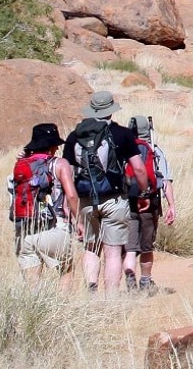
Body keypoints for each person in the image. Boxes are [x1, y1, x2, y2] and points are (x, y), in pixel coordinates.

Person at [60, 91, 142, 292]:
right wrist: (141, 190)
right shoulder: (122, 134)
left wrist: (70, 205)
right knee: (112, 252)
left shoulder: (74, 136)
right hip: (114, 199)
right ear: (111, 111)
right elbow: (138, 168)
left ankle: (91, 287)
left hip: (85, 200)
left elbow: (68, 174)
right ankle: (111, 298)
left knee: (91, 246)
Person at [10, 123, 72, 289]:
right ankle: (62, 312)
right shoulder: (60, 164)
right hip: (53, 226)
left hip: (24, 229)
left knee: (32, 284)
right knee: (65, 269)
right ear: (52, 147)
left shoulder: (20, 165)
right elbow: (71, 195)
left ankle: (35, 312)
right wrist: (78, 221)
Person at [123, 116, 173, 293]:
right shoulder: (155, 151)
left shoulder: (123, 149)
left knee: (130, 247)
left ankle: (130, 281)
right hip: (149, 203)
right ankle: (145, 282)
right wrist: (171, 205)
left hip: (127, 203)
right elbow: (165, 181)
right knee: (146, 246)